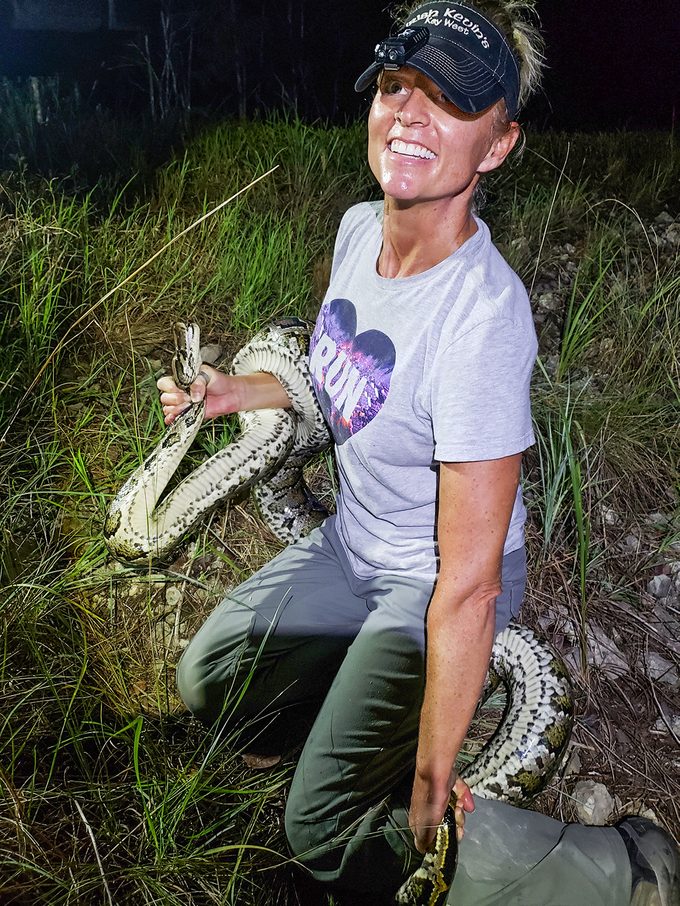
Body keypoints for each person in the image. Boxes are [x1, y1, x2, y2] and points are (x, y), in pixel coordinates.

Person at [157, 2, 680, 903]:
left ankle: (622, 874)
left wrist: (434, 778)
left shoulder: (481, 318)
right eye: (397, 86)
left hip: (434, 583)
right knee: (207, 682)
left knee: (317, 833)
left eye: (448, 101)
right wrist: (241, 393)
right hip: (353, 545)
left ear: (499, 145)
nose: (408, 112)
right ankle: (350, 725)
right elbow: (347, 377)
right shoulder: (359, 229)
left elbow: (470, 585)